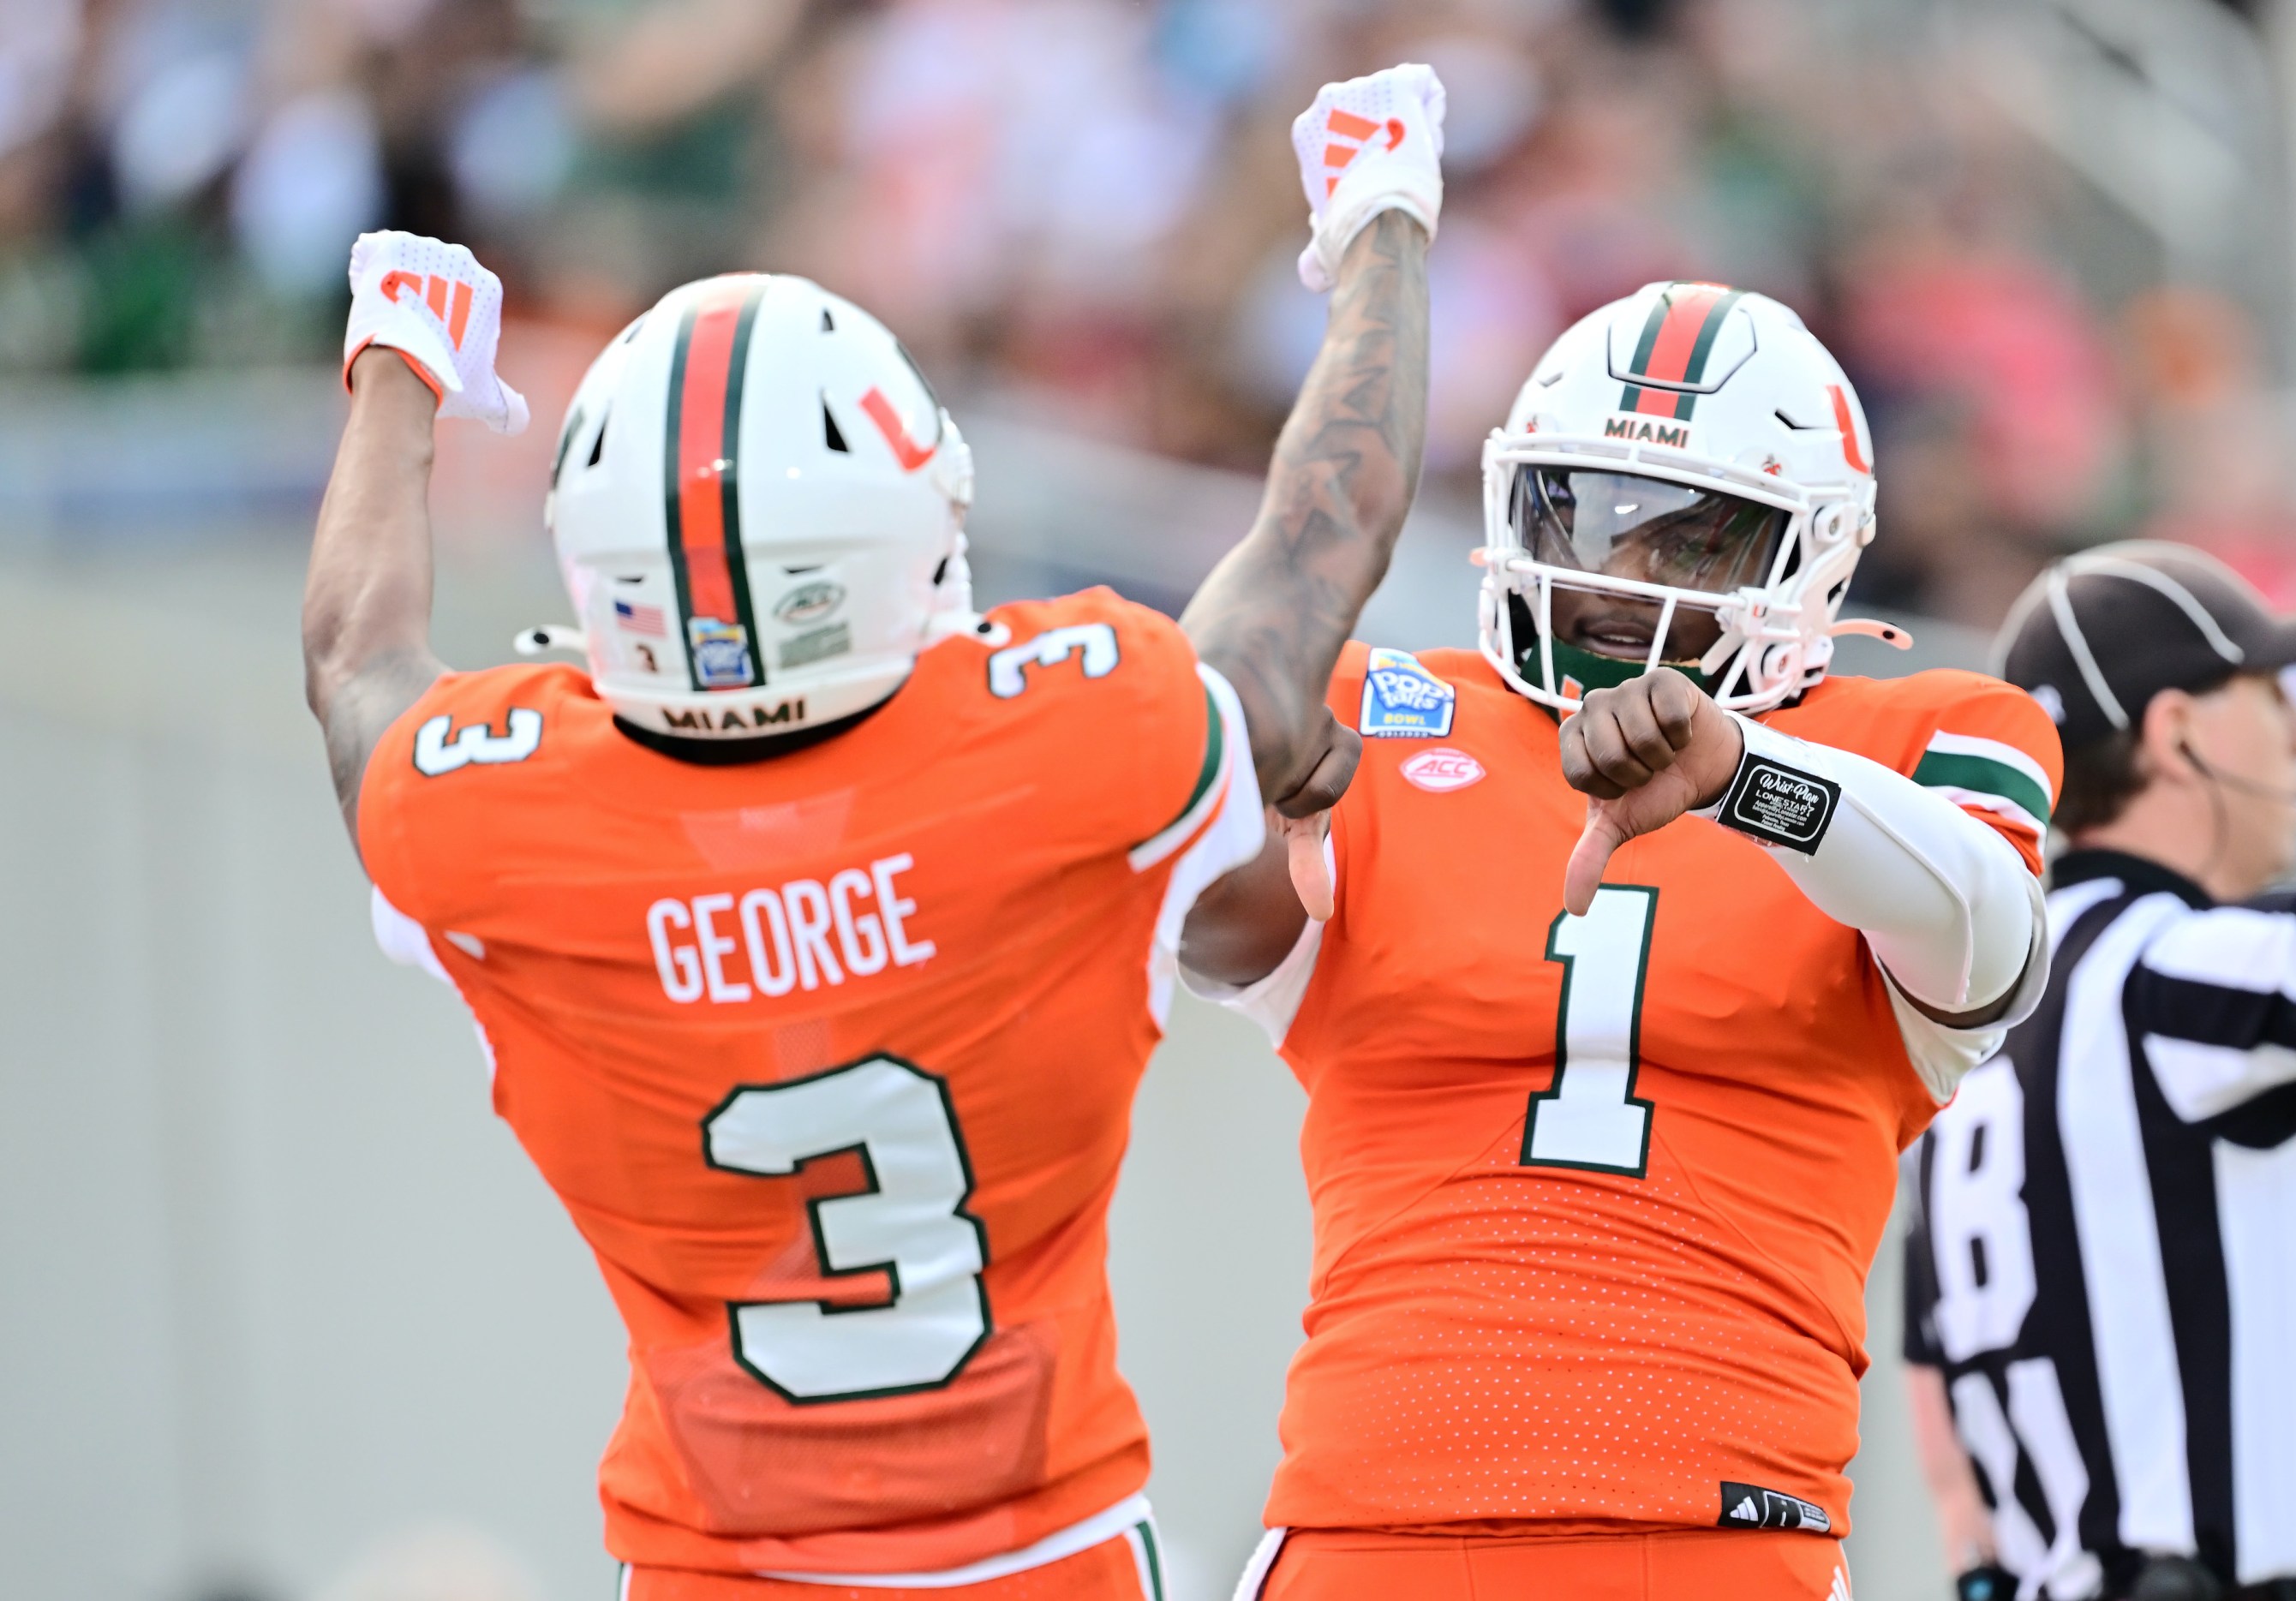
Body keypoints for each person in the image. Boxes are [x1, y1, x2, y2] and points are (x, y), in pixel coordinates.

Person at [299, 65, 1443, 1601]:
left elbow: (356, 663)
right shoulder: (1073, 739)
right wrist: (1383, 220)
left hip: (711, 1568)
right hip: (1050, 1552)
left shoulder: (504, 809)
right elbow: (1321, 538)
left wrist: (397, 368)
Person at [1176, 280, 2062, 1600]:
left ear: (1811, 555)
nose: (1614, 576)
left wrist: (1747, 774)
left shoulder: (1922, 738)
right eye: (1578, 511)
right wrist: (1237, 765)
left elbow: (1990, 944)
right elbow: (1190, 913)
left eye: (1691, 541)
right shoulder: (1376, 717)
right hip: (1362, 1530)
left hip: (1716, 1535)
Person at [1899, 546, 2296, 1601]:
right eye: (2269, 695)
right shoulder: (2169, 965)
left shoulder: (1970, 1011)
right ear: (2179, 733)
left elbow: (1933, 1385)